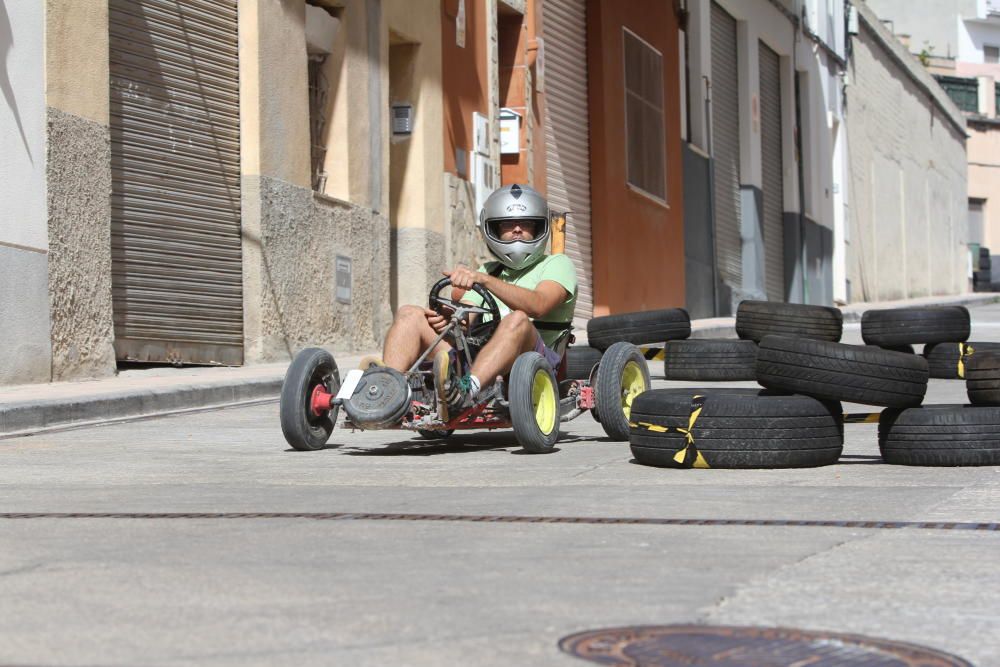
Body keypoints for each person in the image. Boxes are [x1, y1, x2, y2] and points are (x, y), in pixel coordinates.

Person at [381, 183, 578, 416]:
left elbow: (539, 305)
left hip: (531, 362)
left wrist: (483, 280)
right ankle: (386, 392)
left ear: (538, 228)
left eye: (525, 223)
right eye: (507, 224)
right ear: (493, 230)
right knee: (410, 313)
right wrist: (448, 318)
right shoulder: (489, 269)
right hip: (477, 357)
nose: (516, 230)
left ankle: (467, 390)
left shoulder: (557, 264)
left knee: (518, 320)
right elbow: (467, 317)